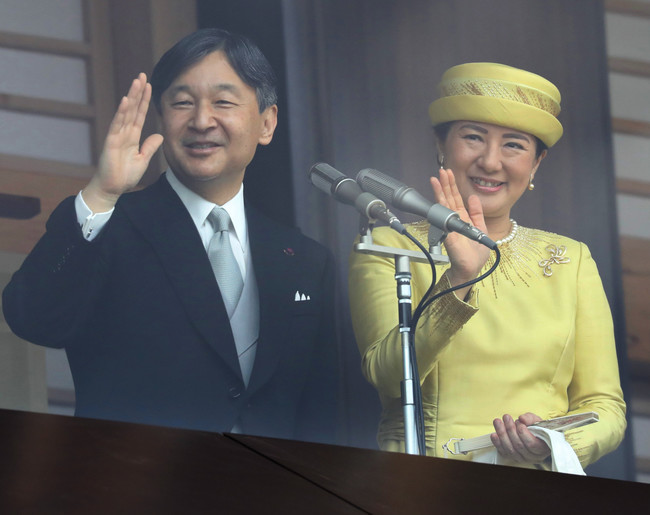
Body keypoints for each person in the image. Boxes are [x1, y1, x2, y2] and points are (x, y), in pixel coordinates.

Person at [3, 28, 337, 444]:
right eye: (182, 103)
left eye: (223, 102)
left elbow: (327, 411)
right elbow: (33, 320)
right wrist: (102, 193)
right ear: (160, 118)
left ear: (266, 123)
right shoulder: (110, 224)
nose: (201, 121)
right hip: (131, 475)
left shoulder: (305, 260)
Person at [348, 62, 626, 468]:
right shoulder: (389, 245)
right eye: (473, 137)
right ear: (441, 145)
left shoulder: (571, 260)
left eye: (514, 145)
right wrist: (460, 277)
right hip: (421, 483)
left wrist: (552, 442)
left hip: (537, 488)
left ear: (536, 163)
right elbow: (389, 377)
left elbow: (606, 409)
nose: (491, 162)